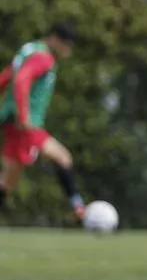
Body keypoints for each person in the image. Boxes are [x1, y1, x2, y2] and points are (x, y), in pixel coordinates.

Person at [0, 22, 84, 219]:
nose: (69, 50)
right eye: (67, 44)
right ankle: (79, 208)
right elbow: (21, 79)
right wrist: (23, 115)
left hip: (14, 120)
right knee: (63, 158)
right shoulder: (44, 57)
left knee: (8, 180)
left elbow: (6, 76)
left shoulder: (29, 50)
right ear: (55, 39)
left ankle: (78, 207)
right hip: (26, 124)